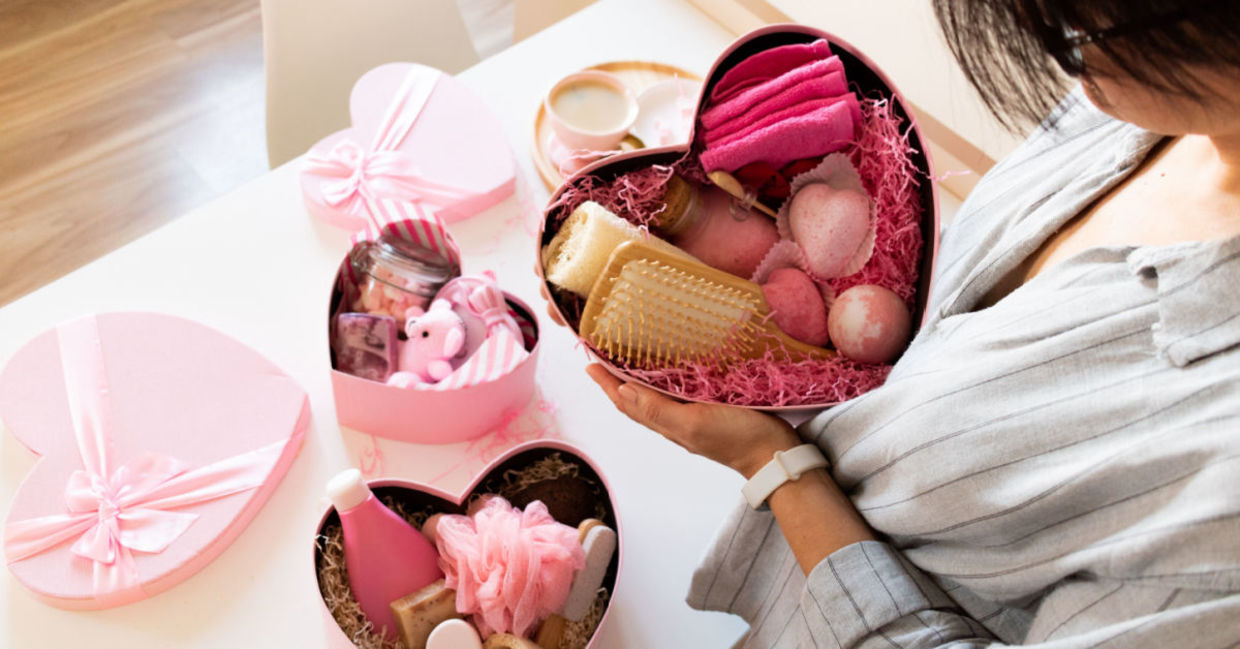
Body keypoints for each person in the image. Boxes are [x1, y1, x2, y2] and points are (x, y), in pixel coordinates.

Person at [560, 0, 1240, 646]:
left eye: (1088, 23)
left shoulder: (1220, 497)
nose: (1063, 46)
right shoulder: (1150, 103)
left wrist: (771, 462)